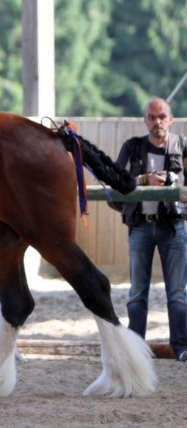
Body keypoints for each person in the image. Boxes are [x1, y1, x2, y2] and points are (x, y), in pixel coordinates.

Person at [111, 97, 187, 362]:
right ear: (145, 120)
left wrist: (174, 179)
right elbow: (115, 181)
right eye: (152, 117)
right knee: (137, 293)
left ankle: (181, 347)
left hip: (174, 226)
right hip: (140, 226)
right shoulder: (132, 147)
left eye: (162, 116)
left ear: (171, 119)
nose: (157, 122)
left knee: (177, 293)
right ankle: (136, 349)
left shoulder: (183, 145)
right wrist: (144, 180)